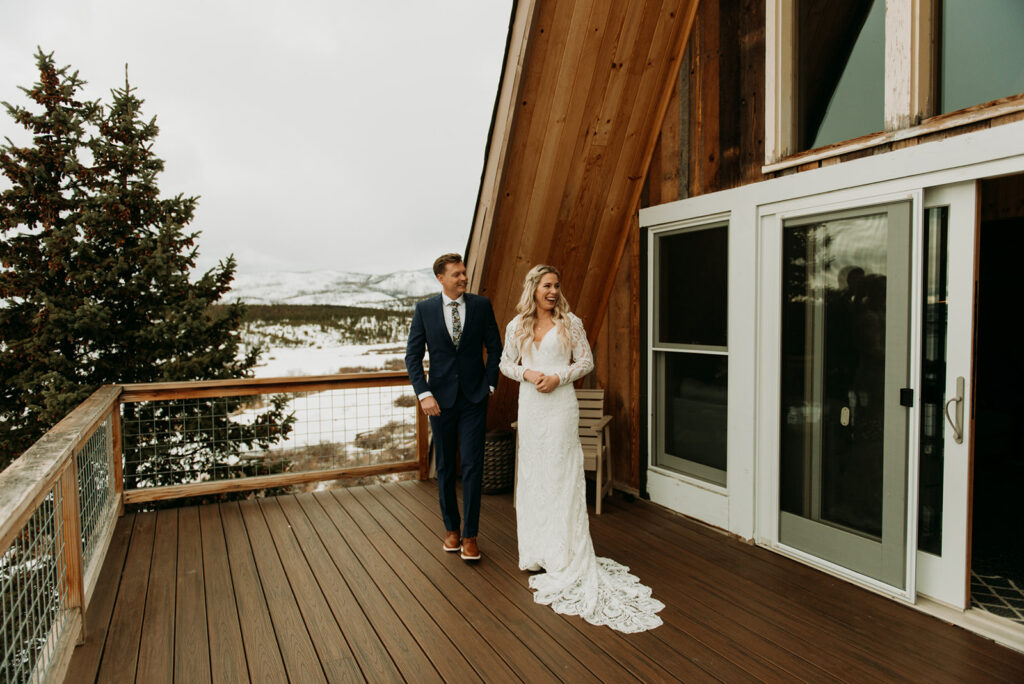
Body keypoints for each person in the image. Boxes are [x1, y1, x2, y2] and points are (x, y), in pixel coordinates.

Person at [499, 264, 664, 633]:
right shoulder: (516, 326)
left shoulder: (570, 323)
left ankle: (565, 554)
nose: (553, 291)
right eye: (546, 285)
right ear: (533, 289)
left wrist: (559, 376)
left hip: (559, 407)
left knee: (560, 476)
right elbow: (505, 362)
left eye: (557, 285)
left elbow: (586, 361)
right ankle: (536, 553)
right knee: (534, 477)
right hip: (531, 408)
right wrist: (527, 373)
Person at [405, 253, 502, 561]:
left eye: (464, 273)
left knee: (474, 465)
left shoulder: (481, 306)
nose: (463, 278)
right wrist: (424, 394)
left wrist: (489, 384)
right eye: (457, 274)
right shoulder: (425, 310)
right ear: (441, 278)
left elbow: (495, 346)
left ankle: (471, 536)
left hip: (475, 398)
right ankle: (451, 530)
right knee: (446, 467)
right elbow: (412, 357)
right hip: (440, 402)